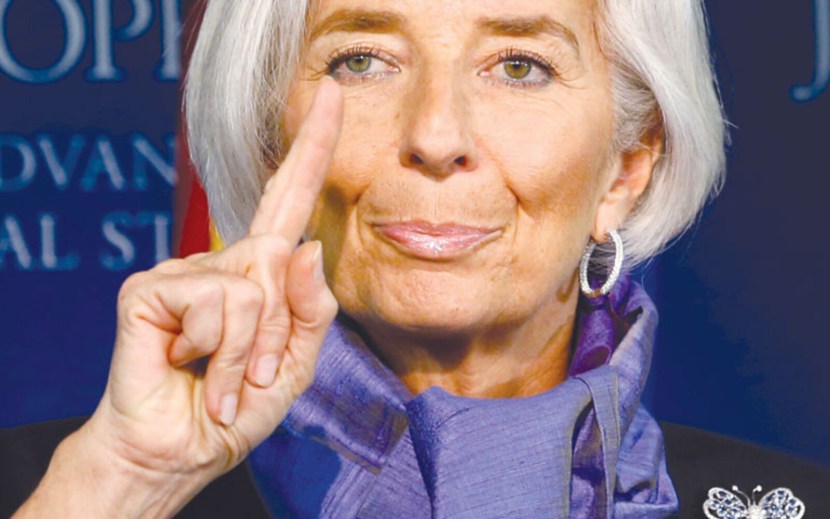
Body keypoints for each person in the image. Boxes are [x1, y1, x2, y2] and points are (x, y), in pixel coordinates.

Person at [2, 0, 829, 517]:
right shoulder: (60, 489)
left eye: (519, 66)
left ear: (625, 169)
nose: (435, 135)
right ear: (267, 139)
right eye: (362, 60)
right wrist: (126, 484)